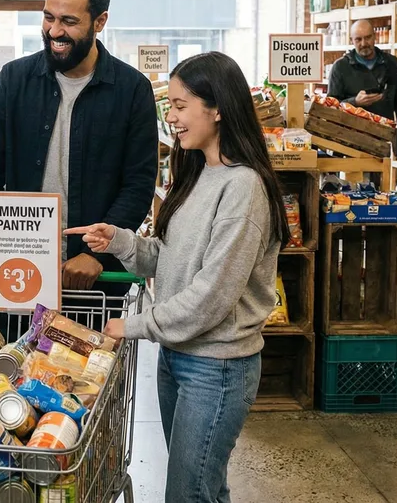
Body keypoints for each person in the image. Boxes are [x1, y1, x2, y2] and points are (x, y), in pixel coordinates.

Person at [66, 51, 287, 503]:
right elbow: (170, 259)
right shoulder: (200, 173)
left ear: (217, 108)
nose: (171, 118)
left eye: (181, 106)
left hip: (216, 367)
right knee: (204, 489)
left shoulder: (243, 188)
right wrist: (119, 241)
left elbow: (212, 296)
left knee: (188, 494)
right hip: (178, 357)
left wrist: (133, 325)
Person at [0, 0, 158, 336]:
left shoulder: (131, 89)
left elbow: (137, 184)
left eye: (69, 21)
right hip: (19, 276)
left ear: (100, 21)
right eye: (49, 17)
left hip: (94, 284)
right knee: (13, 370)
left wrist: (97, 254)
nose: (55, 31)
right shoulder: (14, 80)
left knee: (88, 372)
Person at [329, 19, 397, 163]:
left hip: (383, 142)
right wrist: (355, 102)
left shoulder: (392, 64)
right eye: (358, 39)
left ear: (375, 36)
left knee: (381, 178)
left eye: (368, 37)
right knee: (352, 177)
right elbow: (331, 106)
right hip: (350, 144)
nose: (364, 43)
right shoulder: (340, 67)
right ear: (351, 41)